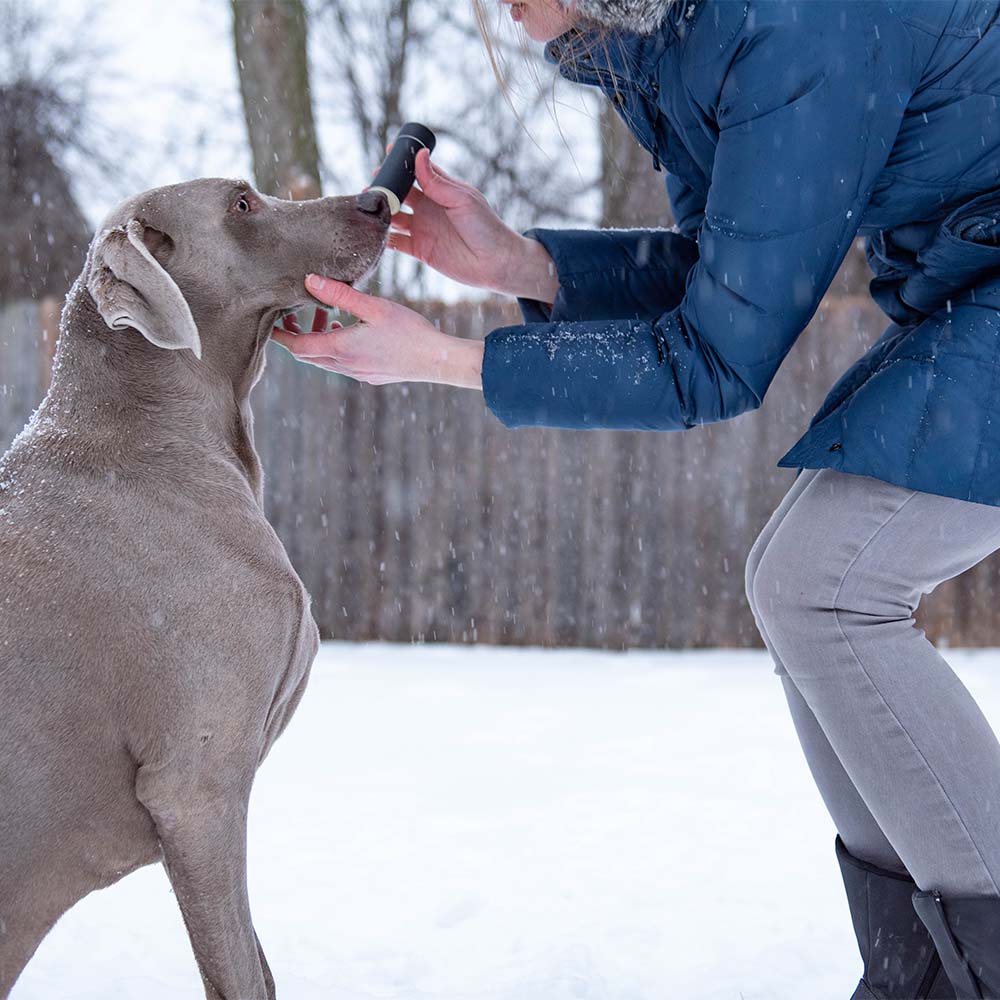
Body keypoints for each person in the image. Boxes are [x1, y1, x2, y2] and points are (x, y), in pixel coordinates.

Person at [274, 1, 1000, 995]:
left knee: (823, 587)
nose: (496, 10)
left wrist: (444, 358)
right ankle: (920, 970)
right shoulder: (697, 41)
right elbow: (724, 287)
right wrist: (517, 263)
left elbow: (712, 362)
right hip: (970, 286)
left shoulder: (790, 26)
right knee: (801, 588)